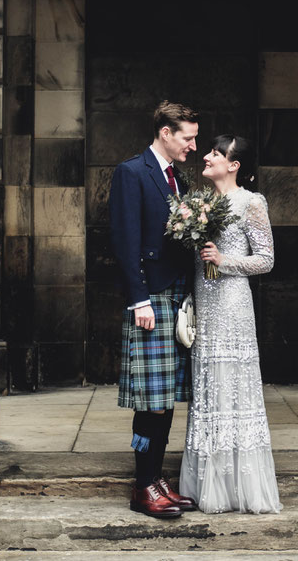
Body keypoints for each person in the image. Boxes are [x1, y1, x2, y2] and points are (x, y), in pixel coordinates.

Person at [179, 134, 282, 514]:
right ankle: (209, 482)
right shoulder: (200, 202)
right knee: (208, 387)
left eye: (216, 153)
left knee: (232, 387)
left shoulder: (250, 203)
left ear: (233, 165)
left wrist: (225, 261)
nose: (206, 156)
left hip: (233, 306)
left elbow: (266, 260)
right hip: (205, 303)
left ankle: (239, 485)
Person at [109, 100, 199, 519]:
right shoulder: (131, 172)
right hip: (151, 299)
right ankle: (144, 486)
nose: (193, 146)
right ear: (166, 132)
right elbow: (124, 242)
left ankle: (156, 479)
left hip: (175, 294)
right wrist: (138, 299)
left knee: (164, 397)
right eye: (188, 137)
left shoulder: (175, 177)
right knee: (151, 399)